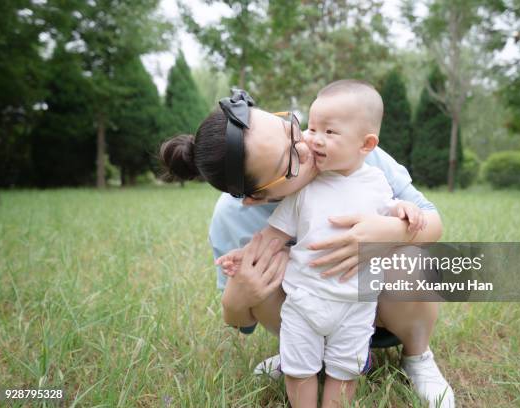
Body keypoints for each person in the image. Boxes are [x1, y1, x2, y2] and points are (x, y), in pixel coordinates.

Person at [159, 86, 455, 408]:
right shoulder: (232, 218)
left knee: (412, 258)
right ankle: (302, 356)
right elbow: (240, 321)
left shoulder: (349, 149)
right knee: (263, 267)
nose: (307, 146)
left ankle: (417, 355)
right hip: (307, 312)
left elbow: (432, 222)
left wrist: (391, 230)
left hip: (380, 309)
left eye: (291, 129)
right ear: (256, 197)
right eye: (290, 161)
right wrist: (235, 299)